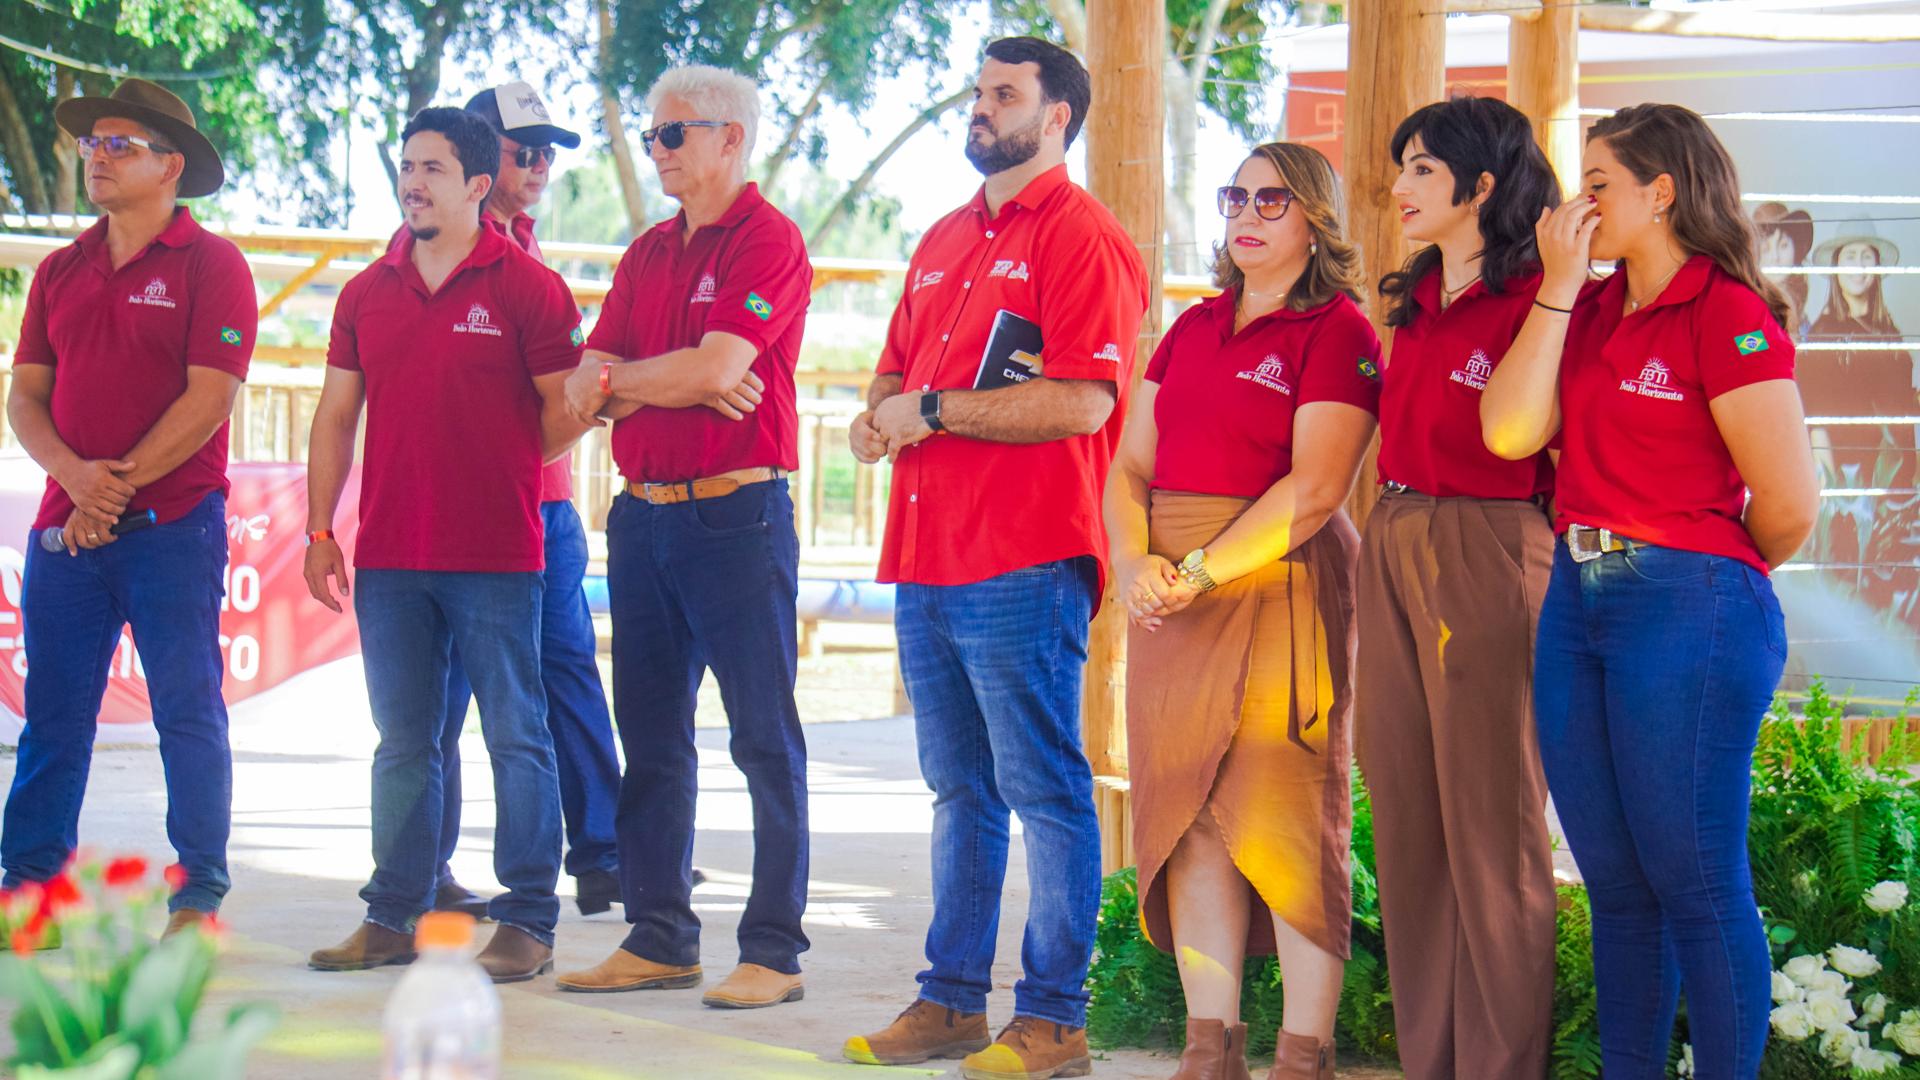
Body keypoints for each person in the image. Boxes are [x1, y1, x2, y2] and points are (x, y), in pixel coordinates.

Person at [1481, 103, 1819, 1079]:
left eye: (1597, 185)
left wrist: (1700, 573)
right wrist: (1556, 288)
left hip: (1686, 599)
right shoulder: (1584, 309)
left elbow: (1789, 505)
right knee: (1620, 889)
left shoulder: (1727, 312)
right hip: (1576, 596)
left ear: (1659, 193)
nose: (1576, 205)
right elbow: (1508, 432)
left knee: (1697, 884)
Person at [840, 37, 1148, 1080]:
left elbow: (1086, 400)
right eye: (977, 93)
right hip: (926, 553)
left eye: (1004, 94)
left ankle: (1056, 1018)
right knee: (959, 791)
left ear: (1057, 116)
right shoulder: (941, 237)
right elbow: (892, 371)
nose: (980, 109)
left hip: (1023, 554)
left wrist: (930, 411)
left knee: (1045, 788)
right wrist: (876, 418)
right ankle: (950, 1001)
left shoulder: (1084, 236)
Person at [1106, 141, 1376, 1080]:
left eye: (1273, 199)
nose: (1247, 215)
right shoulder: (1190, 327)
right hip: (1171, 598)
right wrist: (1134, 559)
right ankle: (1207, 1047)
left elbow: (1317, 488)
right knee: (1189, 823)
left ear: (1316, 219)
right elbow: (1130, 465)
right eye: (1236, 197)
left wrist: (1202, 570)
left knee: (1287, 823)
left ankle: (1303, 1055)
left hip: (1274, 583)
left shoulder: (1339, 330)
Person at [304, 106, 588, 983]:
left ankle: (529, 920)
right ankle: (394, 914)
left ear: (476, 184)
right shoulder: (364, 292)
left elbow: (566, 412)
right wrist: (319, 529)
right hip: (390, 556)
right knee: (403, 741)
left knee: (516, 735)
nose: (413, 182)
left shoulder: (531, 287)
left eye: (432, 168)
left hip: (498, 556)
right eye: (406, 165)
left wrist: (498, 465)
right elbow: (336, 416)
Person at [552, 65, 814, 1011]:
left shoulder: (770, 240)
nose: (656, 149)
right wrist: (666, 377)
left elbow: (715, 367)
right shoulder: (647, 253)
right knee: (651, 738)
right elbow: (585, 383)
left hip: (736, 516)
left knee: (763, 738)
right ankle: (658, 934)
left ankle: (774, 950)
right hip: (643, 516)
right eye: (652, 135)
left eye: (673, 133)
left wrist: (640, 378)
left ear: (730, 138)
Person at [1, 79, 254, 937]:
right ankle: (30, 890)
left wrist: (108, 489)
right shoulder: (60, 270)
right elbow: (25, 396)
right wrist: (76, 479)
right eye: (92, 143)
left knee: (187, 710)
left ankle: (198, 893)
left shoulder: (213, 265)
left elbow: (209, 398)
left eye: (120, 145)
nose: (97, 157)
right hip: (66, 529)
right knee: (54, 718)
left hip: (174, 528)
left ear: (170, 166)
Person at [1357, 96, 1566, 1080]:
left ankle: (1501, 1064)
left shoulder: (1542, 297)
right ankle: (1430, 1060)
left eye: (1423, 170)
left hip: (1492, 541)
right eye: (1401, 167)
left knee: (1491, 824)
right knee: (1408, 817)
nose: (1398, 187)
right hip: (1395, 532)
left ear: (1482, 185)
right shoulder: (1420, 293)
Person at [422, 81, 625, 922]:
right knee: (447, 699)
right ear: (479, 155)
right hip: (470, 510)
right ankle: (424, 868)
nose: (540, 165)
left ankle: (607, 855)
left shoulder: (530, 251)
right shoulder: (434, 248)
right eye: (524, 150)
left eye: (548, 152)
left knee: (567, 676)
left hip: (545, 503)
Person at [1803, 222, 1918, 617]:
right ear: (1836, 268)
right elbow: (1814, 411)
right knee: (1846, 573)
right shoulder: (1823, 333)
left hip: (1894, 480)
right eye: (1850, 256)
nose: (1858, 265)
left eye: (1866, 256)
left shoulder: (1891, 333)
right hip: (1848, 481)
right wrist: (1829, 477)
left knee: (1884, 577)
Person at [1751, 202, 1812, 338]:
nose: (1775, 257)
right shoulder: (1748, 306)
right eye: (1765, 249)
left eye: (1783, 245)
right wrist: (1771, 337)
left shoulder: (1802, 314)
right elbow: (1741, 346)